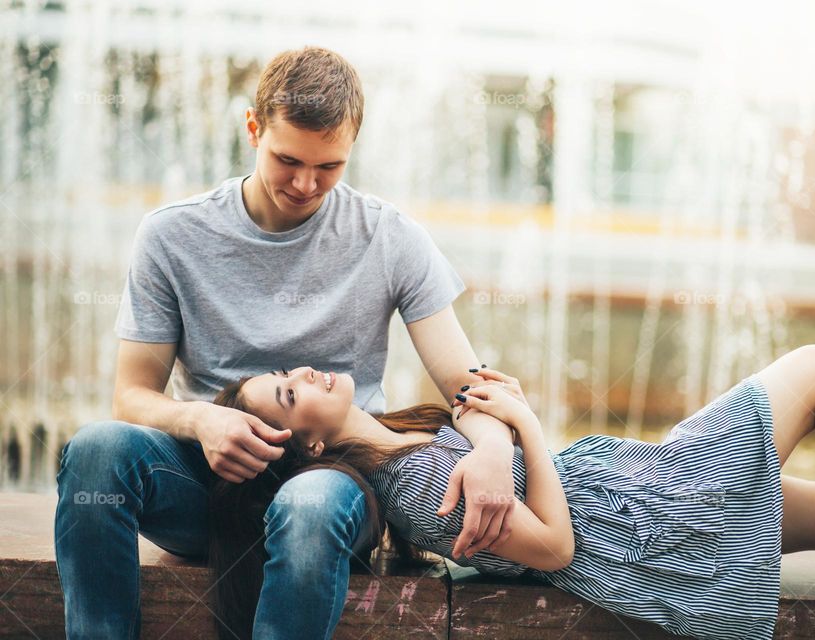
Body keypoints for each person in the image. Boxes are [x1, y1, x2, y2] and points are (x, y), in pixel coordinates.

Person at [54, 46, 519, 639]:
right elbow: (132, 395)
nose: (305, 184)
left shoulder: (389, 236)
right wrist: (202, 422)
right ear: (253, 128)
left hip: (334, 475)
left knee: (306, 506)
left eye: (329, 167)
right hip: (210, 483)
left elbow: (467, 384)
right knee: (96, 450)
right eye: (287, 159)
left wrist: (493, 451)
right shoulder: (172, 234)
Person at [210, 345, 815, 640]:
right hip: (645, 519)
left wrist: (495, 428)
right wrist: (526, 424)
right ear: (307, 444)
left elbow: (484, 419)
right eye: (287, 393)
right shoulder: (410, 490)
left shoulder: (407, 435)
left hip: (631, 491)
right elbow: (554, 547)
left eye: (291, 368)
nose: (304, 374)